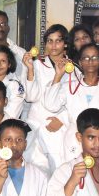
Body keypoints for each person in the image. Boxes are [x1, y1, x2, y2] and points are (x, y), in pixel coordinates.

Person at [42, 42, 99, 163]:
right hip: (73, 141)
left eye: (95, 58)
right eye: (86, 58)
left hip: (97, 142)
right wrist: (58, 75)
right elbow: (51, 105)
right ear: (79, 62)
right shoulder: (70, 86)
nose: (90, 61)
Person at [21, 24, 69, 175]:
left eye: (58, 41)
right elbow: (30, 97)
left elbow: (77, 102)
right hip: (37, 126)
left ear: (65, 43)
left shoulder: (74, 69)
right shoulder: (36, 64)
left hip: (60, 129)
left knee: (59, 173)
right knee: (36, 172)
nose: (53, 45)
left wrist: (63, 119)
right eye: (49, 41)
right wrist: (29, 69)